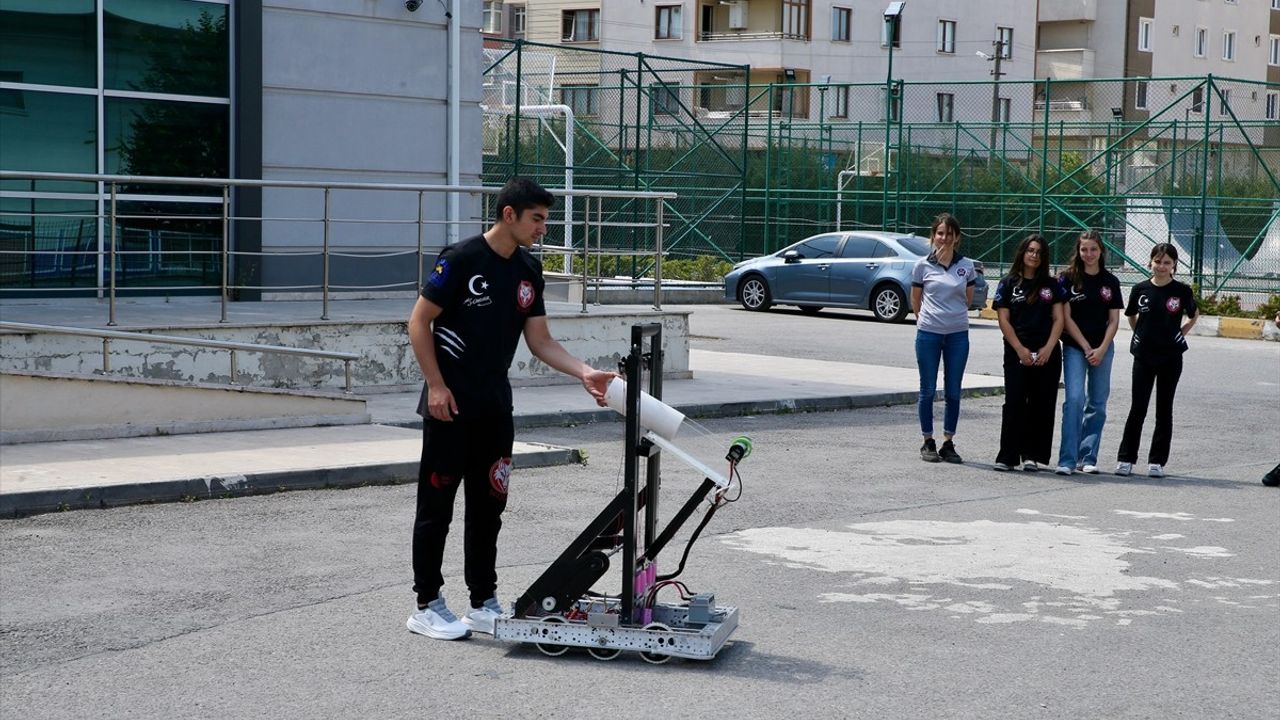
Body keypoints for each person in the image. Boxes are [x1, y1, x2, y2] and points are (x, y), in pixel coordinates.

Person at [405, 177, 615, 640]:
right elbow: (418, 322)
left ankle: (483, 601)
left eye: (545, 219)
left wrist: (584, 372)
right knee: (435, 508)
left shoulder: (527, 271)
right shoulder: (460, 260)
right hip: (449, 407)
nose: (543, 228)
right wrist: (436, 386)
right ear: (509, 215)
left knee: (489, 508)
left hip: (495, 409)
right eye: (537, 219)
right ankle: (428, 603)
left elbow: (540, 341)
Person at [1115, 243, 1198, 478]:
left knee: (1164, 409)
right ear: (1150, 262)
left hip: (1171, 357)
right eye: (1157, 261)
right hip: (1143, 356)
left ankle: (1157, 461)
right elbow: (1131, 316)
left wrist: (1181, 333)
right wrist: (1139, 334)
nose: (1161, 266)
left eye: (1167, 263)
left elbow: (1194, 314)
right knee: (1137, 408)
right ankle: (1126, 459)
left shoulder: (1181, 291)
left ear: (1174, 266)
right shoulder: (1140, 289)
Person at [992, 234, 1065, 472]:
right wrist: (1020, 350)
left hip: (1047, 353)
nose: (1034, 255)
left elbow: (1058, 319)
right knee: (1014, 402)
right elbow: (1003, 319)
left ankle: (1032, 455)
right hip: (1017, 351)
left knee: (1040, 403)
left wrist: (1048, 348)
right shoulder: (1008, 283)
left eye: (1039, 252)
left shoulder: (1052, 285)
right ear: (1022, 252)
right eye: (1030, 250)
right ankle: (1008, 456)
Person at [1054, 230, 1124, 475]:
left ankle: (1088, 457)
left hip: (1103, 348)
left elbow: (1114, 320)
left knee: (1097, 403)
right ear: (1078, 250)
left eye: (1093, 249)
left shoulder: (1110, 281)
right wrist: (1085, 347)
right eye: (1084, 249)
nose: (1089, 254)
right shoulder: (1066, 278)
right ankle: (1067, 460)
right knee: (1074, 400)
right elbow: (1065, 317)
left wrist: (1102, 348)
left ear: (1101, 250)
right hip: (1076, 347)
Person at [910, 212, 976, 464]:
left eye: (949, 233)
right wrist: (925, 320)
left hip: (958, 334)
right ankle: (928, 441)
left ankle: (948, 442)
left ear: (956, 237)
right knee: (927, 389)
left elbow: (968, 300)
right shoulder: (922, 265)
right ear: (933, 235)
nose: (944, 238)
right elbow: (915, 300)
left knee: (953, 391)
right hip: (929, 333)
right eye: (940, 233)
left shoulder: (966, 265)